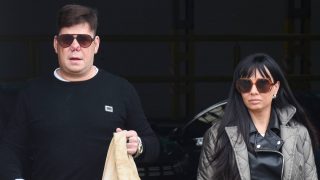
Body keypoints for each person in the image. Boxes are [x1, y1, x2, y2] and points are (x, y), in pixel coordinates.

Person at [0, 4, 159, 180]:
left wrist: (139, 146)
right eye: (66, 39)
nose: (75, 46)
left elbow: (153, 145)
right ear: (56, 44)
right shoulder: (31, 93)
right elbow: (10, 149)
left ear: (96, 44)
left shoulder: (121, 90)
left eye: (83, 40)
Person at [197, 53, 318, 180]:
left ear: (275, 88)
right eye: (245, 84)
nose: (253, 91)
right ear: (239, 89)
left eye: (262, 84)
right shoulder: (217, 135)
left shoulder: (299, 133)